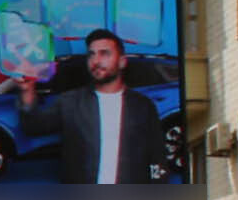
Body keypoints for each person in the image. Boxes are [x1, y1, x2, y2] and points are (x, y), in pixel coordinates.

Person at [14, 28, 170, 185]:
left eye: (104, 53)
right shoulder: (70, 102)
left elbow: (157, 156)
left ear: (122, 61)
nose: (96, 61)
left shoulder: (142, 105)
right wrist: (27, 90)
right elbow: (33, 127)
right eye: (91, 54)